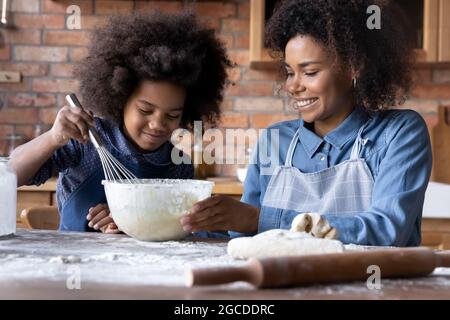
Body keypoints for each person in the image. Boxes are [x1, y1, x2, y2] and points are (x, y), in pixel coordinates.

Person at [181, 0, 432, 246]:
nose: (293, 85)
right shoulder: (274, 142)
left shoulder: (399, 132)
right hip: (284, 285)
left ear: (354, 67)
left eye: (309, 72)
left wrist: (259, 219)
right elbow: (246, 239)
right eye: (290, 72)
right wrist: (198, 224)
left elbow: (388, 230)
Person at [9, 12, 231, 233]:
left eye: (172, 115)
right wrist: (53, 138)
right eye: (145, 110)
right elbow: (11, 174)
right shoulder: (85, 139)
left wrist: (127, 222)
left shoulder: (178, 166)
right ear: (121, 99)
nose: (157, 124)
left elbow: (175, 230)